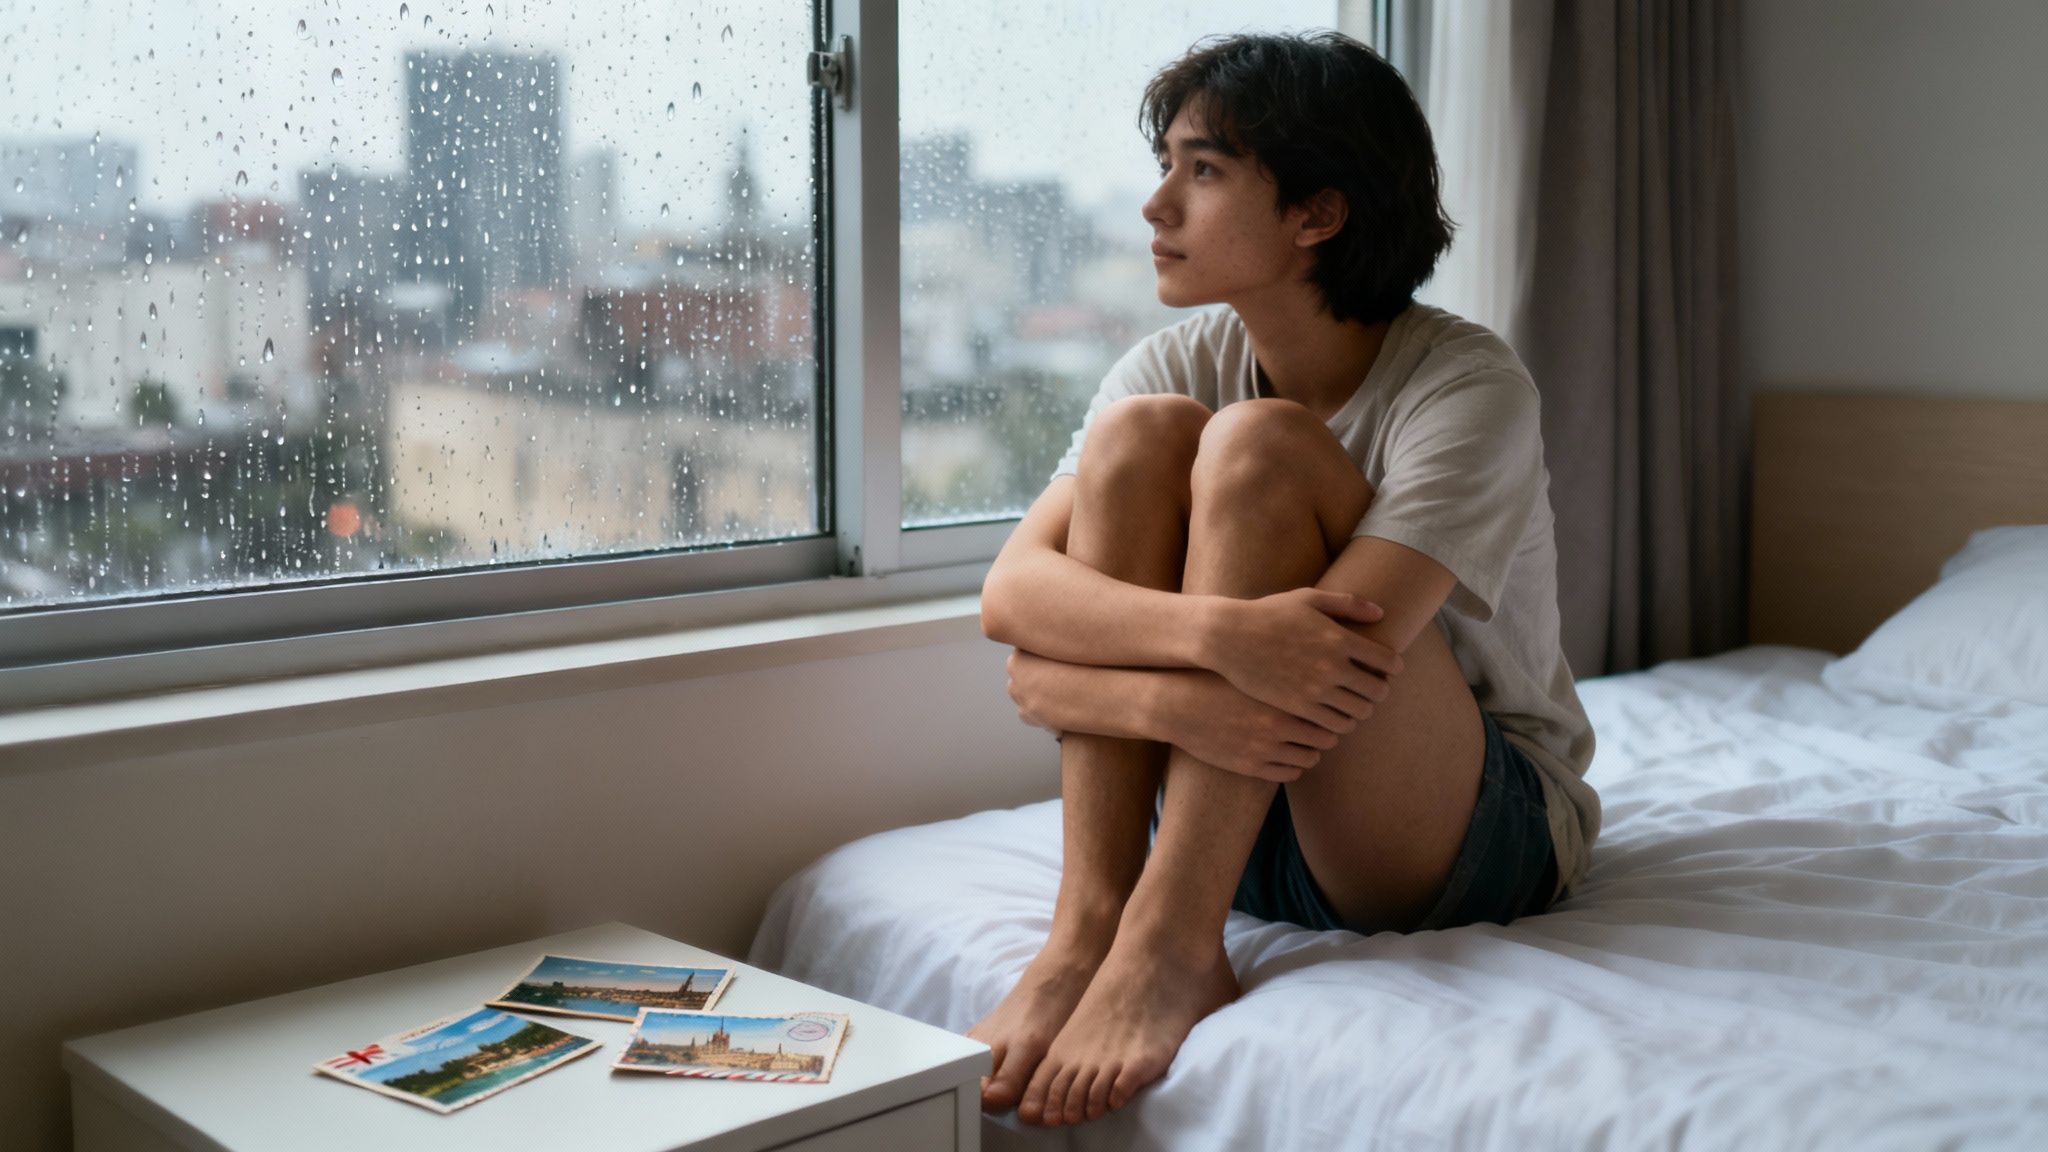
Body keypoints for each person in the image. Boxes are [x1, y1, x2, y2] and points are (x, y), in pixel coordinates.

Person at [967, 30, 1600, 1128]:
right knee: (1138, 439)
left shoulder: (1465, 386)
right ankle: (1093, 926)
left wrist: (1069, 684)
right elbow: (1009, 599)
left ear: (1318, 212)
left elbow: (1329, 660)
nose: (1156, 205)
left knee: (1256, 446)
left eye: (1201, 171)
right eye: (1164, 165)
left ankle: (1170, 946)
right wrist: (1196, 653)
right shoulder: (1173, 363)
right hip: (1237, 819)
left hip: (1459, 833)